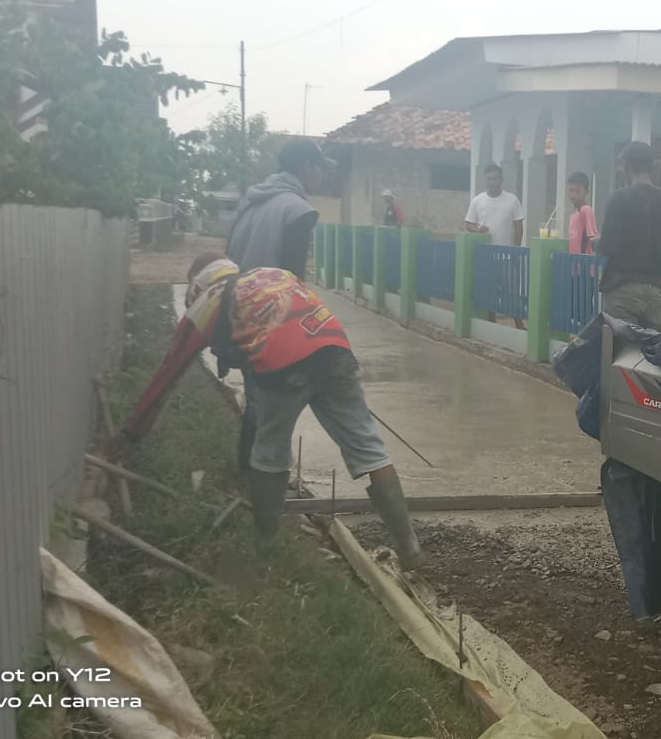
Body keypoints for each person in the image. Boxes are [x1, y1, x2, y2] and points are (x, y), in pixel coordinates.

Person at [122, 252, 425, 569]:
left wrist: (132, 431)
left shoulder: (208, 298)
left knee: (270, 448)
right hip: (334, 348)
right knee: (368, 446)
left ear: (197, 285)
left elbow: (170, 369)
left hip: (283, 364)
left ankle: (266, 550)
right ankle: (409, 547)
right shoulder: (273, 274)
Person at [597, 142, 661, 330]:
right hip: (655, 291)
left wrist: (598, 242)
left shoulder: (618, 199)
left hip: (621, 288)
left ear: (626, 169)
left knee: (620, 354)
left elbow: (607, 246)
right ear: (653, 169)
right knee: (651, 355)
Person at [226, 139, 335, 280]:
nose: (322, 175)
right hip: (268, 298)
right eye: (321, 168)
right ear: (308, 166)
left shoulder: (249, 200)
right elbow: (292, 278)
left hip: (234, 293)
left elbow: (230, 251)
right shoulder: (298, 211)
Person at [463, 165, 525, 247]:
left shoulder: (513, 200)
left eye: (494, 179)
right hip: (484, 251)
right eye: (488, 179)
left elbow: (519, 227)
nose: (491, 182)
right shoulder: (476, 201)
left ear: (501, 180)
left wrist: (516, 249)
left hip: (506, 253)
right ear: (485, 180)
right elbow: (468, 224)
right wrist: (477, 230)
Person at [566, 172, 599, 254]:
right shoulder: (575, 213)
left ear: (586, 192)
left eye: (578, 191)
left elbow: (593, 239)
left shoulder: (586, 210)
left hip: (584, 263)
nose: (573, 194)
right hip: (574, 262)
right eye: (571, 190)